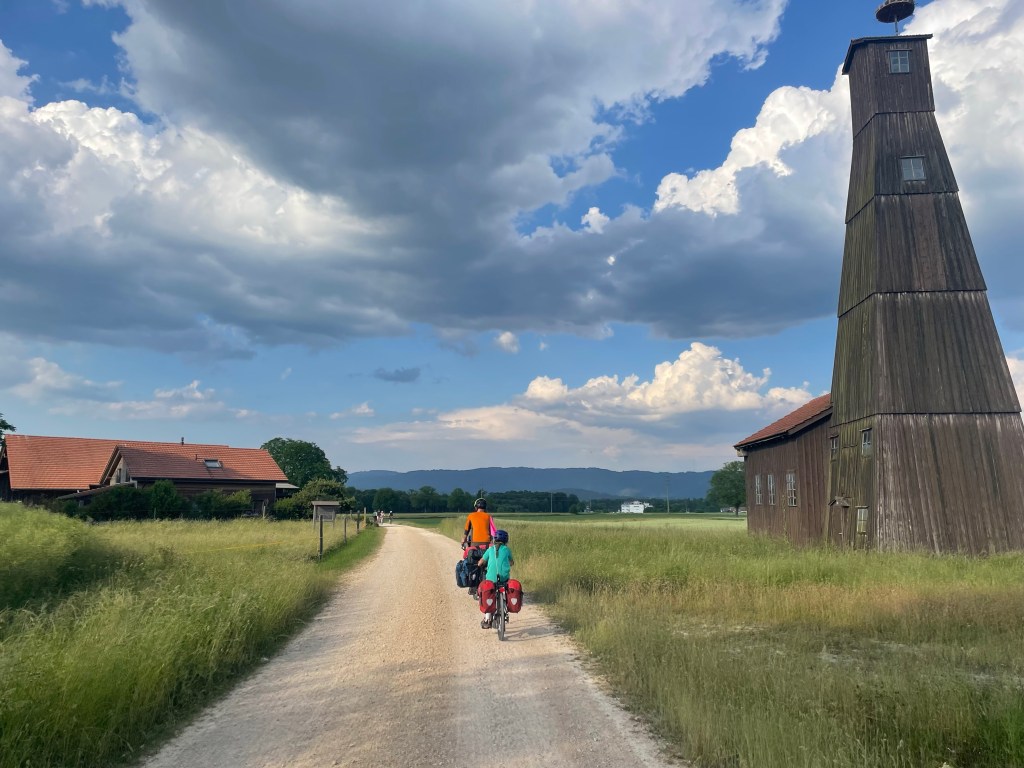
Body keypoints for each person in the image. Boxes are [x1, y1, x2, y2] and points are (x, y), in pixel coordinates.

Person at [478, 529, 514, 629]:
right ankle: (505, 605)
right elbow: (511, 562)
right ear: (506, 541)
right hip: (504, 578)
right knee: (505, 588)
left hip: (491, 579)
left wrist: (479, 564)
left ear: (494, 539)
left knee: (489, 593)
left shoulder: (490, 550)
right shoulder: (507, 550)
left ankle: (487, 619)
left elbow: (481, 562)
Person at [461, 498, 494, 597]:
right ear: (485, 507)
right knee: (488, 565)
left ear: (476, 507)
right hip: (488, 545)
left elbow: (466, 531)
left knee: (472, 565)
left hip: (475, 546)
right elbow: (492, 532)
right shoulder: (489, 516)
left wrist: (463, 540)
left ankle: (473, 586)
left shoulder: (471, 516)